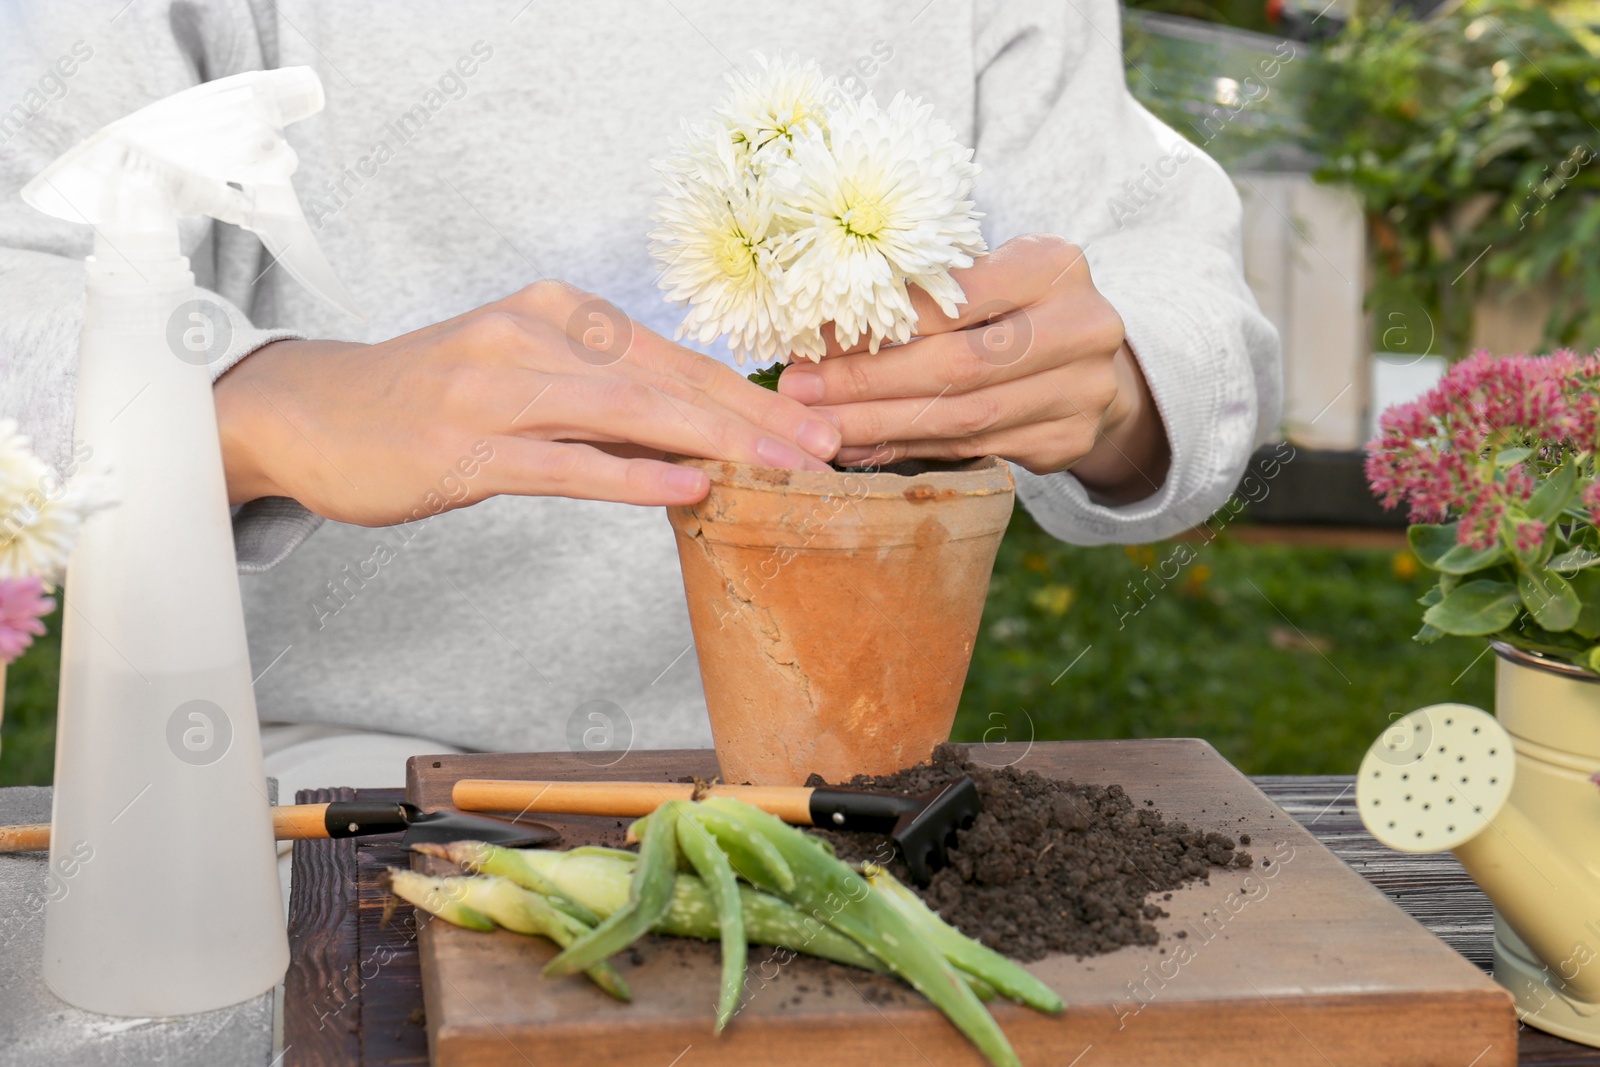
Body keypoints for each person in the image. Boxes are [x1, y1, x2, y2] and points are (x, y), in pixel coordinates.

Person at [0, 0, 1281, 802]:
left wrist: (1111, 386)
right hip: (310, 783)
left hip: (860, 795)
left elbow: (1168, 277)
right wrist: (264, 399)